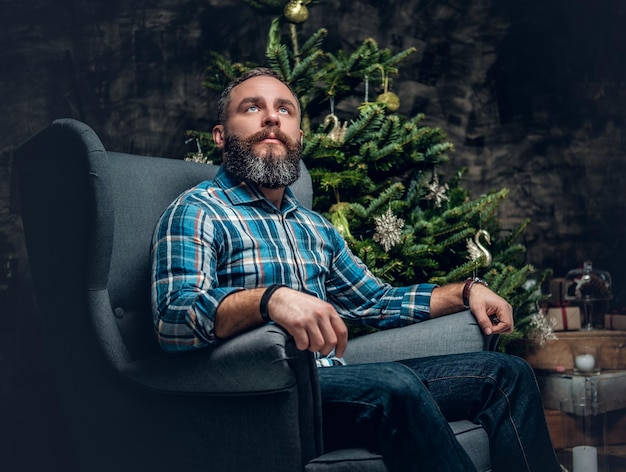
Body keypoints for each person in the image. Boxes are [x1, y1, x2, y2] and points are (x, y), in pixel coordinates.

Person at [151, 67, 561, 471]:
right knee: (393, 387)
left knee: (507, 375)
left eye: (285, 110)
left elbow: (377, 302)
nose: (272, 117)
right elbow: (173, 321)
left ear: (299, 135)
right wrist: (270, 301)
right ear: (221, 136)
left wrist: (467, 291)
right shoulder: (198, 210)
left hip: (336, 382)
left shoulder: (315, 227)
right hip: (267, 393)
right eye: (252, 107)